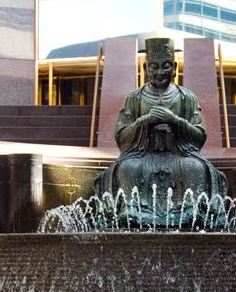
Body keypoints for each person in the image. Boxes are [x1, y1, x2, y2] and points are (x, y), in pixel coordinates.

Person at [93, 38, 227, 228]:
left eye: (166, 66)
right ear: (146, 67)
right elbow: (121, 136)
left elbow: (200, 135)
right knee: (127, 168)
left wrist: (175, 120)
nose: (160, 72)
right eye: (154, 67)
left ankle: (190, 209)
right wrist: (145, 121)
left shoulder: (186, 97)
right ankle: (134, 209)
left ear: (174, 66)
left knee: (194, 167)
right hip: (142, 154)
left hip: (179, 153)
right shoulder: (134, 97)